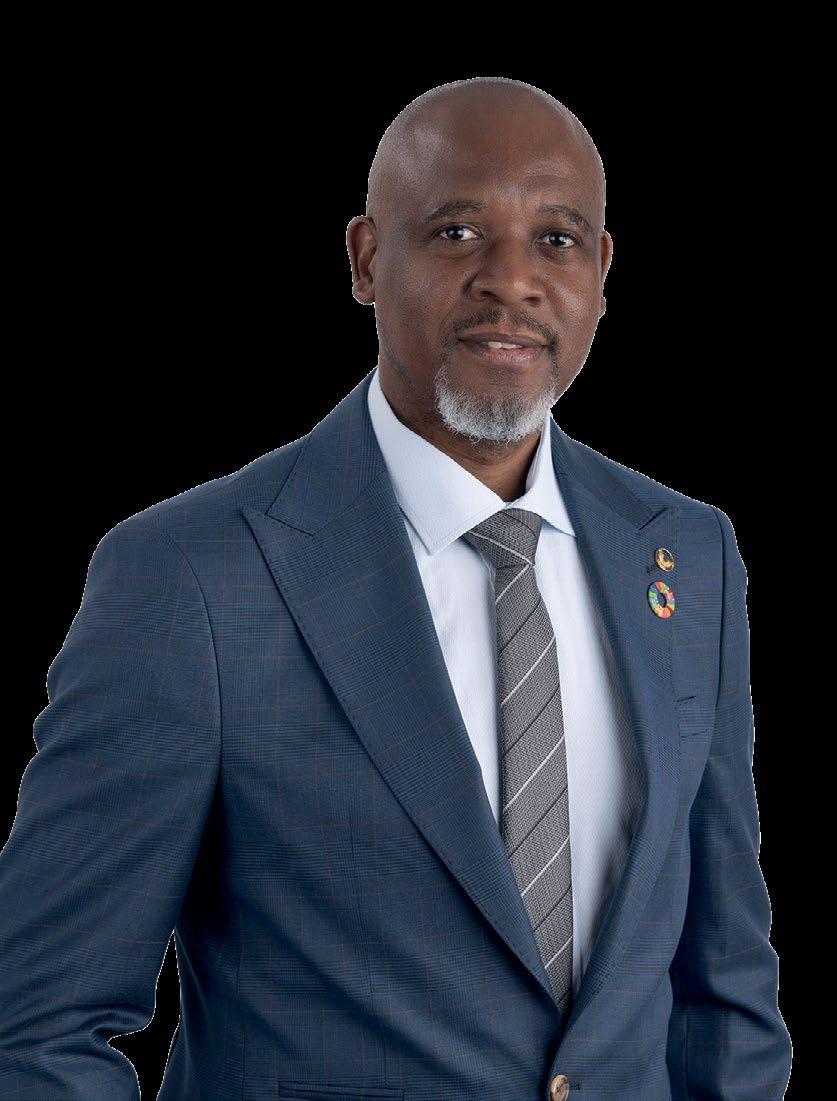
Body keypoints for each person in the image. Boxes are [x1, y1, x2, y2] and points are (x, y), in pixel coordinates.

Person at [0, 76, 792, 1100]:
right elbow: (38, 1025)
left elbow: (722, 990)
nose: (511, 282)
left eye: (555, 241)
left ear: (601, 273)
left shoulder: (685, 550)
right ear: (367, 260)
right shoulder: (193, 577)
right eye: (458, 232)